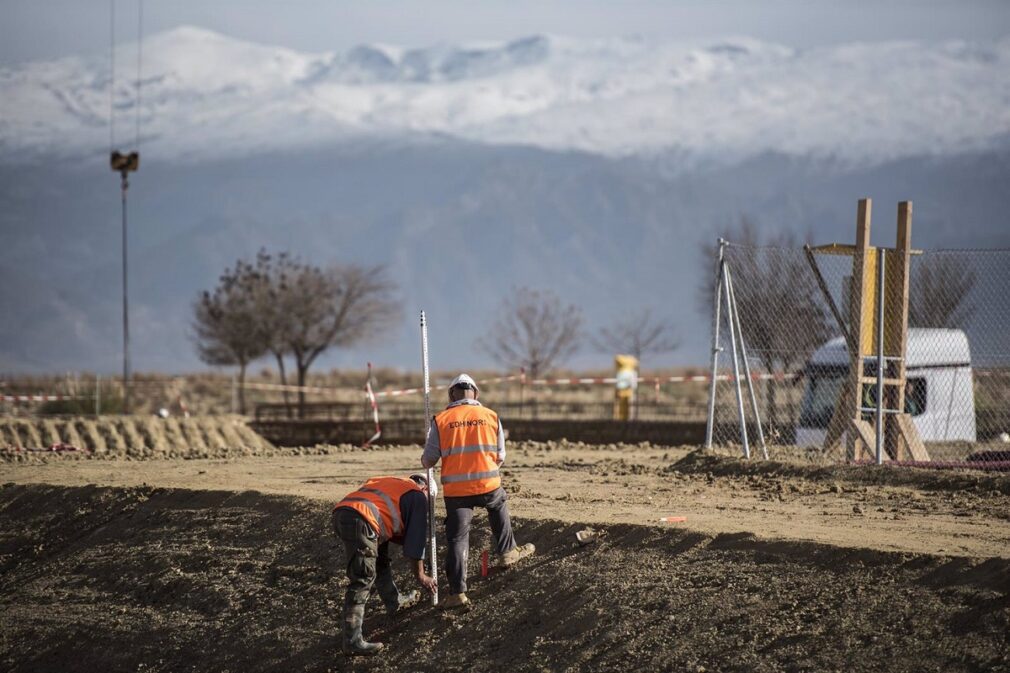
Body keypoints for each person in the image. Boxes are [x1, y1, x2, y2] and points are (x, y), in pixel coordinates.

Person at [421, 373, 535, 610]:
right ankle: (507, 552)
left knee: (458, 538)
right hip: (488, 485)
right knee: (498, 504)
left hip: (457, 492)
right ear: (476, 394)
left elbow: (428, 461)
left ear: (451, 394)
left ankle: (457, 593)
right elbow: (501, 456)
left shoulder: (441, 420)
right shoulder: (491, 416)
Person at [332, 473, 438, 656]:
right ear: (426, 489)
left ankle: (393, 601)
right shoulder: (418, 496)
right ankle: (352, 641)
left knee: (379, 561)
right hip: (363, 520)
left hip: (344, 512)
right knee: (362, 577)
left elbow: (395, 528)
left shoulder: (394, 484)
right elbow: (415, 542)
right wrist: (421, 575)